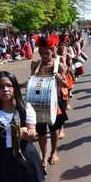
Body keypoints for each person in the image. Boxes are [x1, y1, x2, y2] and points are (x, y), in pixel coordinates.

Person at [22, 34, 68, 167]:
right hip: (37, 101)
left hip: (54, 102)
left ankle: (54, 152)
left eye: (46, 53)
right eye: (41, 53)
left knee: (54, 129)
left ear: (53, 51)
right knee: (41, 131)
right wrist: (19, 85)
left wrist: (60, 79)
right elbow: (31, 81)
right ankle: (45, 154)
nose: (44, 56)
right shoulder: (35, 64)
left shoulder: (59, 65)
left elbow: (65, 85)